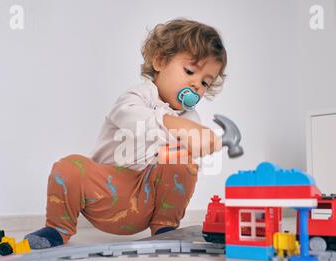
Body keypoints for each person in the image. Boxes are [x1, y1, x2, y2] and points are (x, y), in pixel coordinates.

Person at [25, 18, 228, 249]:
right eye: (190, 71)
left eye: (205, 82)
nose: (196, 86)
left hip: (149, 199)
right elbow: (129, 118)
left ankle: (165, 228)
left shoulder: (189, 118)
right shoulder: (137, 97)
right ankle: (57, 229)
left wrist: (205, 144)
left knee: (183, 162)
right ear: (160, 61)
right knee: (68, 166)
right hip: (107, 192)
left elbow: (184, 168)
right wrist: (175, 126)